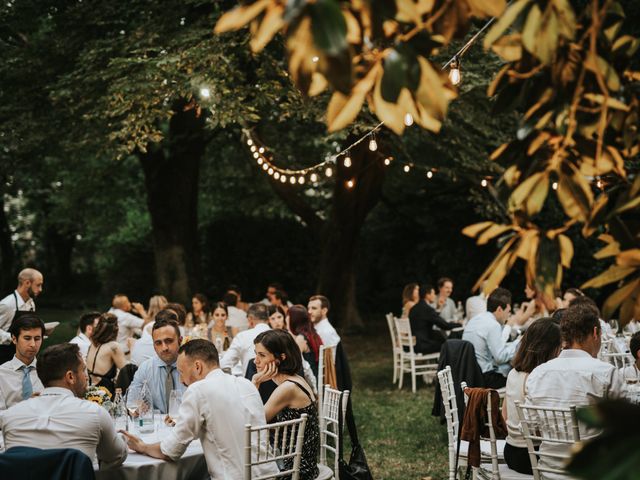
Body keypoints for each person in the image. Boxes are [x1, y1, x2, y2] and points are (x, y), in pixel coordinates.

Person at [121, 339, 278, 479]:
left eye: (181, 372)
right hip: (272, 475)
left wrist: (142, 447)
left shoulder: (198, 390)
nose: (181, 380)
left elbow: (171, 451)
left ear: (197, 366)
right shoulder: (247, 384)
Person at [526, 303, 623, 471]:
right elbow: (625, 425)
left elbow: (527, 427)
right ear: (595, 333)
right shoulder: (606, 372)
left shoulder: (538, 373)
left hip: (549, 470)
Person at [0, 343, 127, 469]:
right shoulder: (94, 413)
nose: (86, 377)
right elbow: (116, 457)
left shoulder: (10, 417)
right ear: (70, 377)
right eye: (83, 370)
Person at [251, 329, 320, 480]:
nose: (255, 360)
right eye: (255, 353)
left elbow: (254, 422)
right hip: (298, 463)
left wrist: (255, 383)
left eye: (261, 355)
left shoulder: (287, 388)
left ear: (280, 358)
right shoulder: (295, 379)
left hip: (297, 471)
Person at [502, 318, 561, 474]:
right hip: (531, 456)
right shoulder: (536, 379)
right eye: (559, 347)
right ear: (549, 349)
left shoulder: (513, 373)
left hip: (510, 449)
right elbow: (541, 429)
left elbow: (505, 415)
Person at [462, 287, 521, 388]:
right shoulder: (493, 325)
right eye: (508, 311)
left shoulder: (475, 319)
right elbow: (500, 357)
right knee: (520, 379)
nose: (508, 316)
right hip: (485, 379)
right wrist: (518, 342)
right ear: (499, 309)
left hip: (470, 376)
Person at [129, 316, 185, 414]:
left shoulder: (192, 367)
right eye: (158, 343)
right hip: (156, 426)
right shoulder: (145, 368)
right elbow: (131, 402)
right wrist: (136, 407)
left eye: (169, 341)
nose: (164, 348)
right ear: (154, 346)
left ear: (180, 341)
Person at [0, 314, 45, 409]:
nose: (33, 344)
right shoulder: (1, 374)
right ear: (14, 339)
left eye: (37, 339)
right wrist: (25, 408)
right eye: (27, 338)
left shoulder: (50, 372)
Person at [0, 269, 43, 363]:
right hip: (5, 358)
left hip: (24, 357)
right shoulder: (7, 304)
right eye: (38, 285)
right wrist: (12, 337)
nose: (40, 289)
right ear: (27, 283)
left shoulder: (31, 303)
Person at [220, 303, 271, 376]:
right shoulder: (280, 336)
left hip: (250, 384)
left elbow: (225, 363)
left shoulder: (242, 336)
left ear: (250, 319)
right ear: (268, 319)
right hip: (278, 385)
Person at [409, 284, 461, 354]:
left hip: (415, 344)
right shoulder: (427, 309)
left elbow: (430, 317)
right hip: (424, 345)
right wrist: (460, 324)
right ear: (427, 295)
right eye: (433, 293)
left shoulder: (414, 308)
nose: (434, 296)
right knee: (450, 344)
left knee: (440, 337)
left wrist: (439, 308)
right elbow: (445, 326)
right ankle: (451, 363)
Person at [86, 313, 127, 394]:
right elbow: (126, 373)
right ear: (116, 329)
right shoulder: (113, 347)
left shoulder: (92, 344)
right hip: (105, 392)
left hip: (90, 389)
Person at [287, 305, 324, 377]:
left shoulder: (301, 339)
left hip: (310, 378)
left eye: (288, 316)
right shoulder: (311, 333)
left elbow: (292, 363)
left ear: (293, 320)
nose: (286, 318)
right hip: (314, 374)